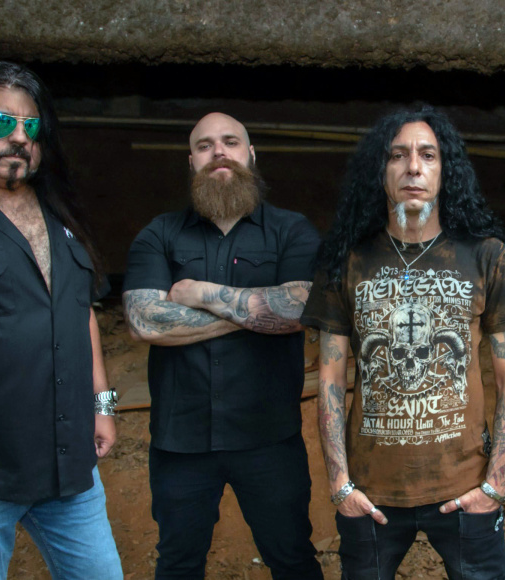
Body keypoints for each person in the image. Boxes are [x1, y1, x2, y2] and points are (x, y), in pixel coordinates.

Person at [301, 106, 505, 579]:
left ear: (446, 171)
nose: (413, 167)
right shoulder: (347, 261)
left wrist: (494, 484)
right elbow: (330, 380)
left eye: (428, 155)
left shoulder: (487, 256)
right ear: (380, 171)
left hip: (465, 486)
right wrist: (341, 484)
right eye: (398, 155)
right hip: (371, 492)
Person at [0, 61, 122, 579]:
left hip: (67, 468)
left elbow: (80, 312)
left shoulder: (63, 215)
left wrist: (102, 405)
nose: (18, 136)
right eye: (0, 123)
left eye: (30, 125)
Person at [122, 112, 323, 579]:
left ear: (250, 154)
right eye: (205, 145)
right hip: (180, 442)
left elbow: (301, 309)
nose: (219, 153)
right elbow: (144, 321)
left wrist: (201, 293)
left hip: (269, 438)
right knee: (178, 565)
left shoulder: (291, 230)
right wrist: (256, 312)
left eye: (230, 142)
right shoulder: (159, 233)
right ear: (191, 160)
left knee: (293, 559)